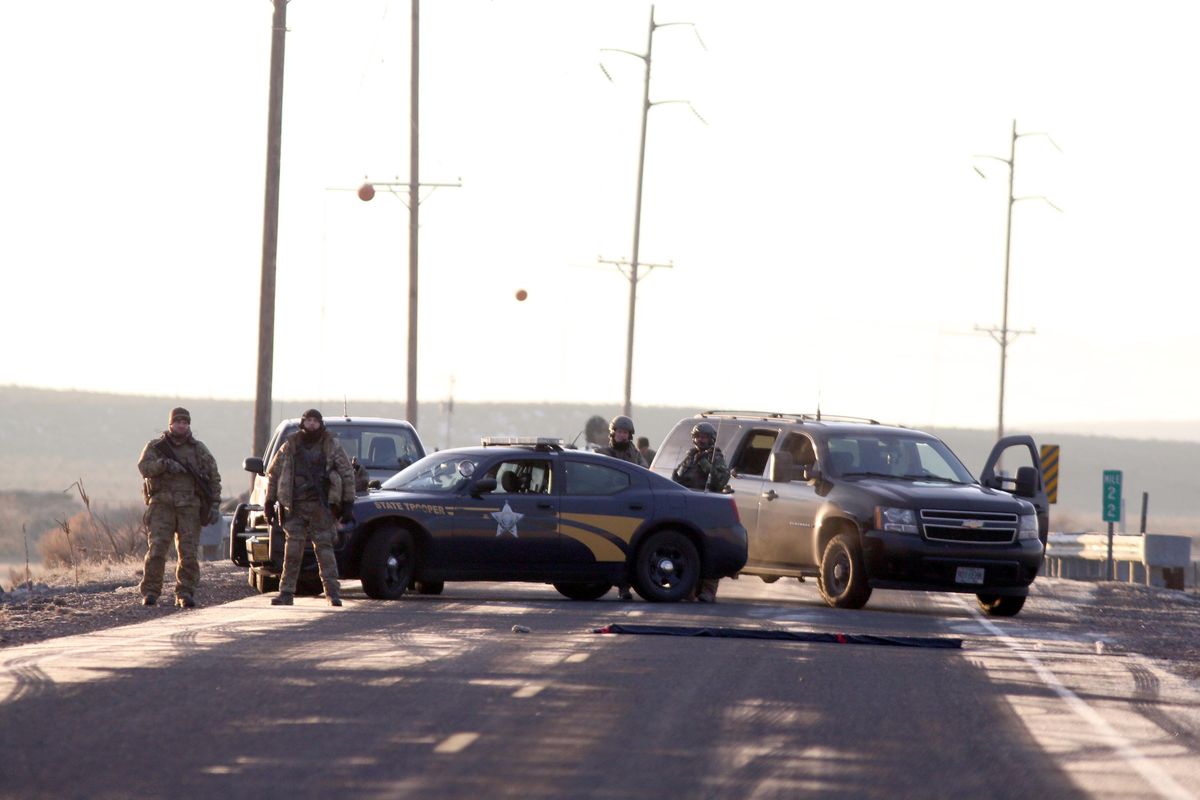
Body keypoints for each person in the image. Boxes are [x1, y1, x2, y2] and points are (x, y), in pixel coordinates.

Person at [265, 409, 356, 607]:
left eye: (315, 421)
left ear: (321, 423)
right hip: (295, 506)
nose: (312, 424)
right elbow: (274, 474)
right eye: (309, 420)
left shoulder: (331, 445)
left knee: (325, 551)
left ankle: (332, 593)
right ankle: (286, 593)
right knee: (292, 552)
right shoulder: (290, 445)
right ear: (303, 423)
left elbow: (347, 474)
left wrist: (348, 503)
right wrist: (269, 502)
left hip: (320, 507)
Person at [136, 407, 222, 608]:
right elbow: (144, 468)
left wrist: (215, 505)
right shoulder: (156, 447)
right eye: (178, 422)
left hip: (189, 508)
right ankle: (151, 592)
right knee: (157, 550)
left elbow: (214, 478)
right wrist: (164, 464)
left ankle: (185, 592)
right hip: (161, 507)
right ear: (171, 424)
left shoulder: (199, 449)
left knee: (189, 553)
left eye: (185, 422)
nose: (182, 425)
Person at [670, 421, 730, 603]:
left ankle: (708, 590)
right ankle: (689, 588)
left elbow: (720, 480)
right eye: (698, 437)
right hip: (690, 507)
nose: (700, 440)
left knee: (710, 549)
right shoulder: (690, 456)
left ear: (711, 439)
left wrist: (704, 463)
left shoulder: (715, 457)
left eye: (704, 437)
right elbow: (678, 478)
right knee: (689, 549)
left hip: (708, 508)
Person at [597, 415, 646, 600]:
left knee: (627, 548)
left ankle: (624, 587)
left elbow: (644, 472)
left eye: (625, 432)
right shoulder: (604, 453)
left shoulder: (635, 455)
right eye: (619, 432)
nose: (622, 435)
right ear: (613, 433)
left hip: (628, 506)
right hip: (607, 504)